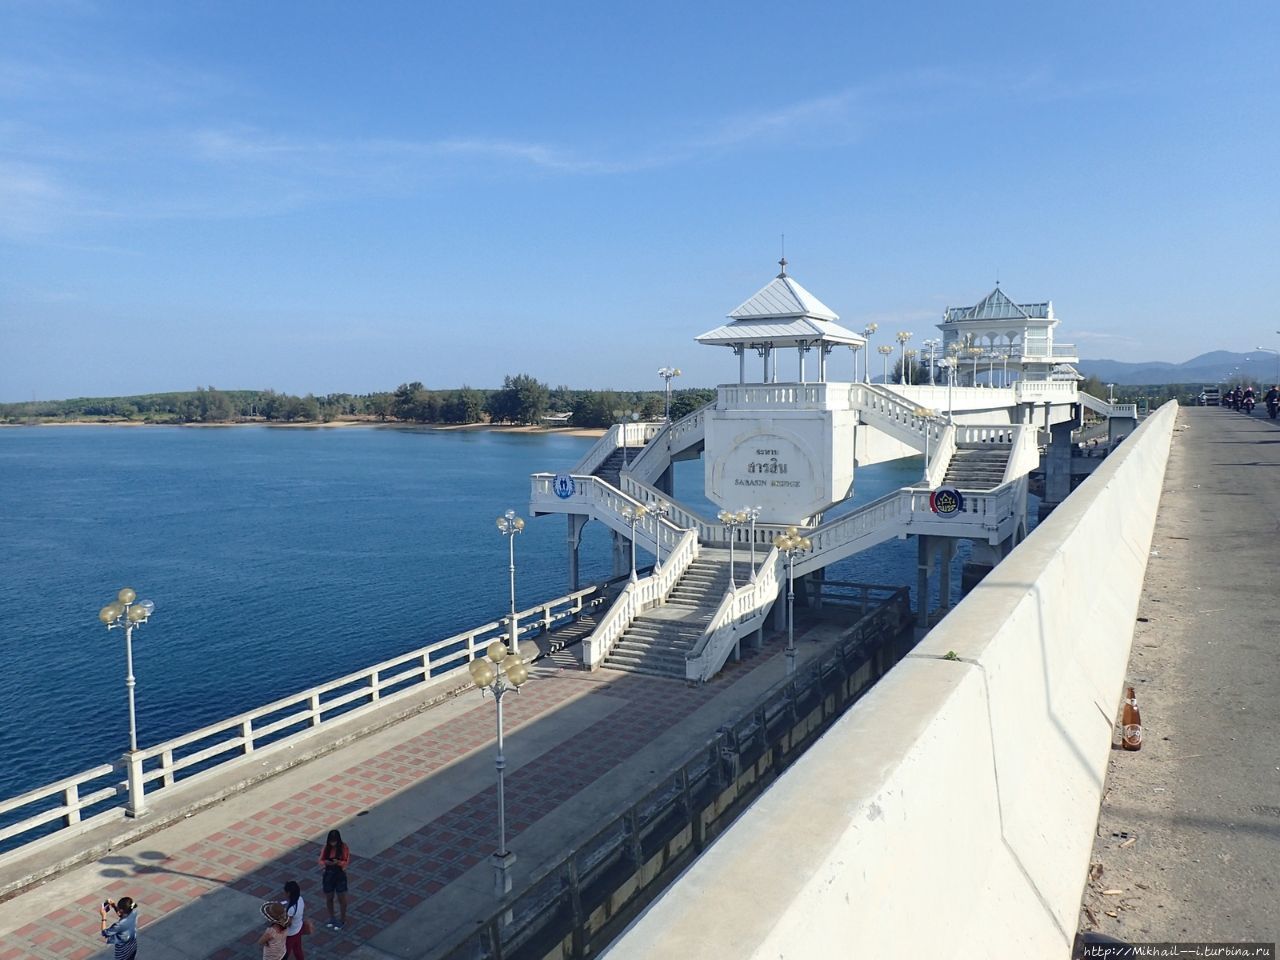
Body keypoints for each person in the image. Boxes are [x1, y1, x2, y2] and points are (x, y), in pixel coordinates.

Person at [318, 828, 351, 930]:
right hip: (328, 874)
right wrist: (325, 863)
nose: (333, 844)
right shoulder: (326, 848)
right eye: (331, 841)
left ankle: (342, 919)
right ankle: (332, 917)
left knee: (342, 898)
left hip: (339, 874)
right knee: (329, 897)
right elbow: (320, 860)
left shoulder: (343, 847)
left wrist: (338, 863)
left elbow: (346, 861)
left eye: (334, 841)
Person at [280, 880, 306, 959]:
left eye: (285, 892)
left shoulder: (291, 909)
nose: (284, 893)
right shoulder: (300, 899)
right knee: (298, 949)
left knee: (284, 954)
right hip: (299, 927)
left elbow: (288, 923)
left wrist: (280, 919)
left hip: (291, 934)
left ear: (289, 893)